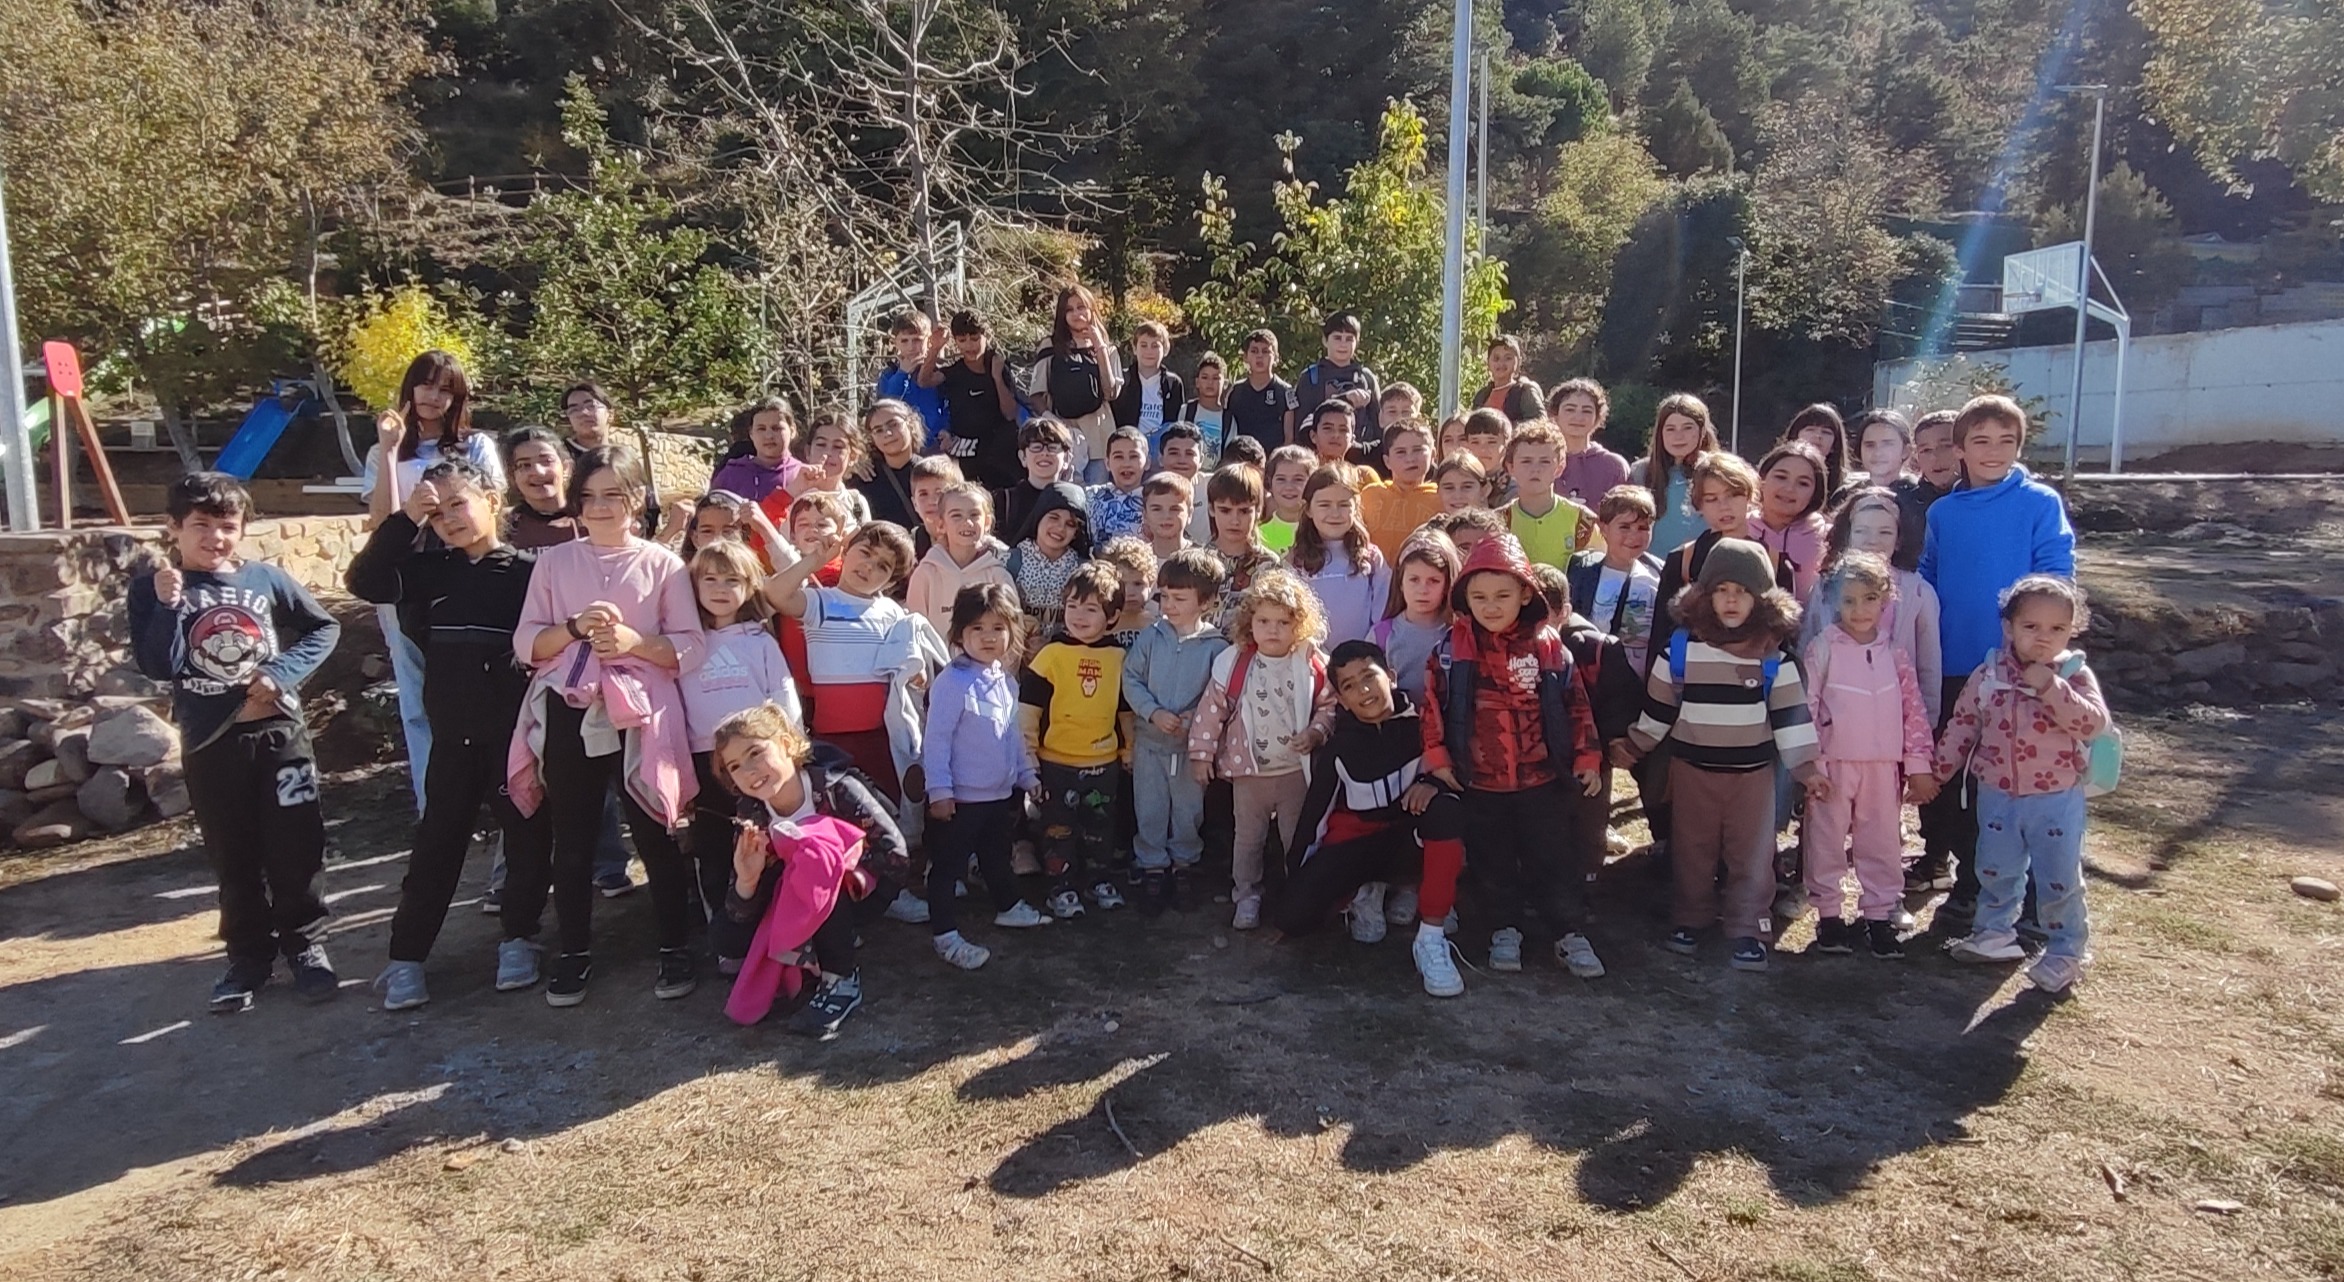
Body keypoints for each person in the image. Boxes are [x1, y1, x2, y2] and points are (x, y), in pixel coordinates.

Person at [130, 472, 341, 1012]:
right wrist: (165, 606)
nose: (215, 538)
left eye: (227, 526)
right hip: (212, 743)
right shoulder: (156, 587)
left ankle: (306, 945)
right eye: (201, 526)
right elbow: (157, 665)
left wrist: (282, 672)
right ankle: (248, 957)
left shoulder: (264, 579)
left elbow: (323, 628)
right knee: (234, 853)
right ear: (173, 527)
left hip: (280, 736)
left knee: (298, 844)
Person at [349, 458, 553, 1010]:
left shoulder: (531, 573)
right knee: (438, 842)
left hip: (513, 737)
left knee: (527, 836)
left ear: (493, 500)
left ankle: (519, 938)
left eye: (459, 504)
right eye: (438, 514)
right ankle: (406, 957)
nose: (451, 520)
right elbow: (364, 581)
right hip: (453, 735)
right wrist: (406, 520)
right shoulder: (430, 571)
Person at [508, 446, 704, 1007]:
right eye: (589, 496)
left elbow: (689, 645)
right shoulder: (554, 563)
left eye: (613, 495)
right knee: (572, 836)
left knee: (655, 831)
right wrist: (573, 629)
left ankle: (673, 945)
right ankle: (573, 950)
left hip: (641, 714)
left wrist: (635, 643)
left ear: (636, 499)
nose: (599, 507)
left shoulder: (663, 565)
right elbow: (527, 642)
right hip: (571, 708)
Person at [1617, 538, 1821, 973]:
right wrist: (1634, 746)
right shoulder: (1680, 652)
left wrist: (1807, 769)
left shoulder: (1774, 659)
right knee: (1692, 850)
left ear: (1763, 600)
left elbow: (1792, 721)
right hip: (1692, 772)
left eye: (1743, 591)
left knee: (1752, 855)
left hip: (1752, 778)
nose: (1731, 600)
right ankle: (1690, 919)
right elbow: (1658, 713)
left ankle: (1748, 927)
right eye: (1721, 590)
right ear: (1703, 596)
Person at [1916, 395, 2076, 929]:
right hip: (1954, 665)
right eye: (1980, 441)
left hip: (2020, 673)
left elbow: (2055, 577)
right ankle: (1970, 884)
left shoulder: (2039, 503)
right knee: (1959, 783)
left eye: (2006, 441)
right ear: (1959, 450)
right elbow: (1929, 578)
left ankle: (2030, 902)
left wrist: (2036, 650)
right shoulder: (1943, 512)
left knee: (2016, 784)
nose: (1993, 451)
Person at [1420, 533, 1605, 978]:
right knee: (1492, 860)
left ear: (1525, 593)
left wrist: (1587, 757)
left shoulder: (1548, 646)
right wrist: (1437, 757)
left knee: (1555, 857)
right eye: (1479, 597)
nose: (1491, 606)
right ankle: (1504, 928)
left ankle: (1568, 931)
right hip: (1480, 781)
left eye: (1502, 595)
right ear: (1464, 599)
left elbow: (1576, 705)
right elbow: (1432, 706)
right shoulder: (1450, 649)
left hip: (1542, 779)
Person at [1917, 576, 2108, 993]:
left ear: (2072, 630)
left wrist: (2051, 688)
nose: (2043, 637)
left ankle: (2066, 951)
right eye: (2031, 626)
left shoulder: (2073, 674)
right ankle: (1994, 933)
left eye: (2057, 628)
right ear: (2008, 627)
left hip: (2056, 799)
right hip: (1997, 793)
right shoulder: (1989, 674)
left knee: (2058, 877)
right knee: (1994, 867)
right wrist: (1936, 774)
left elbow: (2093, 724)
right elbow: (1962, 726)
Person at [1275, 640, 1473, 998]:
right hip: (1359, 847)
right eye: (1350, 686)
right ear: (1341, 699)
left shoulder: (1427, 725)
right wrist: (1298, 878)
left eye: (1369, 677)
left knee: (1445, 809)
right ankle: (1367, 892)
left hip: (1411, 841)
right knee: (1294, 918)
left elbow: (1463, 779)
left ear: (1391, 676)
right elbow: (1314, 818)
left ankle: (1431, 934)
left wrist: (1432, 784)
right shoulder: (1340, 748)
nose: (1364, 691)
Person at [712, 703, 907, 1038]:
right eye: (735, 766)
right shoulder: (752, 811)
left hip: (848, 893)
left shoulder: (836, 788)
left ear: (787, 744)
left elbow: (895, 853)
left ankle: (840, 979)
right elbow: (740, 903)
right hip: (789, 898)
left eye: (755, 753)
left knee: (816, 859)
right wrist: (747, 879)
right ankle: (803, 955)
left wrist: (852, 881)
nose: (749, 770)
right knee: (725, 939)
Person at [363, 350, 504, 814]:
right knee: (416, 693)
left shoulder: (475, 447)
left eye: (446, 389)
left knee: (483, 684)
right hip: (405, 583)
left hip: (468, 576)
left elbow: (493, 510)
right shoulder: (384, 453)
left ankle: (496, 798)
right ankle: (436, 806)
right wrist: (389, 450)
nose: (433, 397)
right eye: (425, 385)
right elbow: (382, 522)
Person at [674, 539, 802, 971]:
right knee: (713, 849)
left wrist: (792, 745)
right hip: (704, 760)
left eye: (732, 580)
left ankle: (782, 927)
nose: (720, 588)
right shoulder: (684, 642)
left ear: (750, 587)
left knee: (768, 844)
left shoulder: (759, 639)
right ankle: (728, 939)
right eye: (709, 579)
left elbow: (782, 694)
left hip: (759, 762)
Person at [1798, 552, 1933, 960]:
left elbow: (1914, 712)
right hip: (1833, 768)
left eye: (1870, 598)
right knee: (1826, 841)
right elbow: (1806, 706)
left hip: (1883, 769)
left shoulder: (1895, 654)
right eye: (1849, 600)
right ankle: (1829, 916)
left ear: (1886, 600)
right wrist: (1811, 764)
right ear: (1834, 601)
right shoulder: (1823, 648)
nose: (1860, 610)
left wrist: (1918, 766)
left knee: (1882, 842)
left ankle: (1878, 916)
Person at [1188, 569, 1335, 930]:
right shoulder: (1235, 662)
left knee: (1296, 838)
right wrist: (1201, 754)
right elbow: (1211, 711)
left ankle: (1297, 893)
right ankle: (1246, 895)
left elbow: (1330, 705)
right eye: (1264, 621)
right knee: (1248, 840)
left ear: (1299, 625)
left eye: (1283, 622)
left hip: (1294, 773)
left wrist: (1316, 732)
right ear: (1249, 622)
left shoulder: (1311, 663)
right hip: (1249, 774)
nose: (1273, 630)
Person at [760, 522, 934, 815]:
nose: (869, 566)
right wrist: (815, 561)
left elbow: (908, 661)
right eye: (865, 552)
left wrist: (916, 673)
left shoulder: (893, 612)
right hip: (831, 739)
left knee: (887, 812)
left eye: (883, 566)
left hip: (881, 738)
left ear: (891, 581)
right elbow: (774, 594)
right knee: (837, 813)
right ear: (847, 550)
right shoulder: (821, 602)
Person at [922, 584, 1051, 968]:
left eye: (998, 628)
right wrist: (939, 790)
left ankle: (1008, 906)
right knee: (947, 867)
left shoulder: (1006, 681)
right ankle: (945, 935)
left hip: (998, 796)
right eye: (977, 628)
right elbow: (936, 739)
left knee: (996, 856)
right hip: (960, 799)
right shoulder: (952, 682)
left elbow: (1012, 736)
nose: (988, 637)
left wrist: (1027, 776)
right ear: (959, 633)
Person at [1020, 561, 1135, 918]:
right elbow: (1028, 710)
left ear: (1112, 616)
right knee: (1058, 831)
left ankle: (1098, 880)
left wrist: (1129, 749)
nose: (1079, 616)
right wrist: (1028, 756)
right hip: (1056, 762)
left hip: (1104, 763)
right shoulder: (1051, 655)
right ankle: (1061, 887)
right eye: (1072, 606)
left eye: (1091, 609)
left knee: (1100, 827)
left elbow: (1125, 710)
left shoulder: (1119, 657)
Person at [1123, 548, 1232, 915]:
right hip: (1150, 743)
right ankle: (1152, 866)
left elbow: (1218, 694)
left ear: (1206, 602)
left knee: (1188, 809)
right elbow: (1131, 678)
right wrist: (1152, 712)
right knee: (1149, 806)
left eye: (1179, 598)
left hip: (1191, 750)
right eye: (1165, 596)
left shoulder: (1216, 647)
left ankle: (1184, 864)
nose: (1169, 605)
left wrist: (1193, 720)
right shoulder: (1151, 637)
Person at [1807, 487, 1942, 724]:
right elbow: (1807, 645)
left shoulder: (1919, 593)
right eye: (1861, 531)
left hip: (1895, 720)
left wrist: (1927, 723)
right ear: (1847, 535)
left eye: (1885, 532)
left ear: (1899, 540)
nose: (1872, 540)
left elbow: (1929, 666)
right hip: (1836, 720)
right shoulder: (1825, 587)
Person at [1288, 464, 1390, 647]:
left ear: (1356, 506)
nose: (1335, 513)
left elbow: (1383, 615)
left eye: (1344, 505)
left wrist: (1365, 652)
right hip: (1309, 658)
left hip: (1360, 657)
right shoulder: (1295, 561)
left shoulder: (1371, 559)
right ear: (1308, 509)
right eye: (1324, 505)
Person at [1026, 284, 1122, 480]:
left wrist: (1100, 348)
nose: (1076, 314)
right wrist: (1053, 423)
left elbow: (1111, 392)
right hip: (1062, 441)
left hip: (1099, 440)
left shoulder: (1108, 349)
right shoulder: (1050, 347)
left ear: (1091, 309)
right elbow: (1035, 395)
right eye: (1069, 309)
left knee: (1095, 494)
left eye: (1081, 307)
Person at [1569, 485, 1664, 678]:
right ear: (1603, 528)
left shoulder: (1659, 574)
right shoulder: (1583, 572)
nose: (1634, 536)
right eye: (1624, 527)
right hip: (1594, 678)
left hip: (1643, 680)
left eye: (1643, 528)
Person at [906, 481, 1015, 638]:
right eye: (956, 516)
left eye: (974, 515)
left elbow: (1011, 634)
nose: (967, 522)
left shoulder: (998, 575)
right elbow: (913, 631)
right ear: (941, 524)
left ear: (987, 522)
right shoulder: (925, 574)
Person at [560, 380, 660, 539]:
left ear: (610, 414)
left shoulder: (623, 459)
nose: (583, 413)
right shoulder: (559, 458)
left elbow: (648, 505)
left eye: (591, 405)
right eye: (574, 409)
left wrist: (638, 526)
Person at [1370, 529, 1459, 704]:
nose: (1423, 590)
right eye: (1414, 580)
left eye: (1434, 581)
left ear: (1447, 585)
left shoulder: (1458, 634)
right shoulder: (1382, 635)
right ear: (1400, 582)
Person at [1501, 420, 1599, 572]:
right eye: (1526, 461)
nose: (1535, 469)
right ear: (1511, 467)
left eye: (1545, 461)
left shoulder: (1583, 521)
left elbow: (1597, 570)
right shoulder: (1499, 522)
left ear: (1559, 468)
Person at [1006, 481, 1091, 642]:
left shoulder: (1082, 570)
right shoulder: (1011, 561)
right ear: (1038, 517)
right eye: (1054, 518)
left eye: (1070, 524)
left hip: (1061, 653)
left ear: (1076, 532)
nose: (1060, 528)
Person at [1634, 393, 1719, 556]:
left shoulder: (1718, 472)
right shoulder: (1641, 473)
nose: (1678, 436)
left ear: (1702, 431)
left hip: (1706, 564)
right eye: (1670, 429)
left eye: (1687, 428)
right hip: (1652, 566)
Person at [1202, 464, 1280, 630]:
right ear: (1211, 509)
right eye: (1225, 510)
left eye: (1244, 511)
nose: (1235, 520)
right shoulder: (1196, 562)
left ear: (1258, 511)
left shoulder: (1269, 565)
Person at [1751, 440, 1831, 598]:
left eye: (1803, 483)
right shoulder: (1738, 529)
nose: (1789, 489)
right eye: (1781, 477)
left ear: (1815, 492)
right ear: (1761, 479)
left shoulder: (1829, 539)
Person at [771, 411, 874, 532]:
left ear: (853, 457)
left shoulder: (857, 504)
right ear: (808, 452)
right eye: (821, 444)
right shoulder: (790, 499)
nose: (828, 453)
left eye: (838, 446)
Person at [1294, 311, 1383, 447]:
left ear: (1357, 342)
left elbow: (1379, 423)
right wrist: (1346, 399)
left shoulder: (1366, 377)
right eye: (1337, 338)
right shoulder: (1310, 377)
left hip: (1360, 452)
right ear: (1325, 340)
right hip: (1321, 452)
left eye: (1349, 339)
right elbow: (1301, 425)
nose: (1343, 344)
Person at [1359, 419, 1440, 561]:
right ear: (1387, 461)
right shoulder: (1370, 495)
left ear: (1433, 455)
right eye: (1401, 452)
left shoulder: (1440, 498)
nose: (1410, 459)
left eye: (1418, 450)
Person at [1547, 379, 1631, 506]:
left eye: (1586, 411)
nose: (1578, 417)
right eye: (1570, 409)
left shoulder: (1613, 466)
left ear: (1597, 418)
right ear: (1555, 414)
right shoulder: (1537, 460)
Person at [1849, 408, 1927, 543]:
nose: (1878, 453)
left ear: (1906, 451)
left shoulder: (1921, 497)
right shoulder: (1847, 495)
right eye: (1870, 445)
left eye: (1887, 444)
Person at [876, 309, 950, 449]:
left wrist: (947, 429)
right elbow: (885, 408)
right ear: (895, 343)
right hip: (902, 446)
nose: (911, 347)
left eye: (917, 340)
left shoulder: (938, 372)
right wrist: (902, 374)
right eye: (904, 341)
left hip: (934, 444)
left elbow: (949, 406)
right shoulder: (889, 374)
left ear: (929, 341)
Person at [708, 396, 803, 505]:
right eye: (761, 429)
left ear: (792, 431)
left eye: (776, 428)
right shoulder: (731, 475)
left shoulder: (802, 475)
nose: (768, 435)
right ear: (751, 433)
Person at [501, 427, 583, 550]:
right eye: (524, 465)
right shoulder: (505, 526)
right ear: (512, 476)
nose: (538, 472)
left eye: (547, 461)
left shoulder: (590, 518)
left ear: (566, 468)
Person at [996, 416, 1077, 541]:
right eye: (1036, 447)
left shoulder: (1074, 501)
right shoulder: (1004, 500)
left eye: (1052, 447)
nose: (1044, 453)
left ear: (1067, 458)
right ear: (1023, 457)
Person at [851, 399, 926, 531]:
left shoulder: (932, 472)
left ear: (910, 423)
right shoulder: (864, 478)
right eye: (878, 430)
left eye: (893, 425)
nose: (887, 433)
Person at [1113, 319, 1185, 454]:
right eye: (1144, 345)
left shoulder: (1173, 383)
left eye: (1155, 346)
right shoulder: (1122, 379)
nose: (1149, 351)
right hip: (1129, 448)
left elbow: (1176, 421)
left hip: (1161, 450)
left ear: (1165, 349)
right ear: (1135, 348)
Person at [1226, 328, 1299, 453]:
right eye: (1254, 351)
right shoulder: (1235, 391)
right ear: (1245, 357)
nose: (1259, 356)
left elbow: (1289, 438)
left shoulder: (1285, 391)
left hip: (1273, 460)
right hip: (1240, 458)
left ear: (1276, 358)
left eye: (1265, 351)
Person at [1086, 425, 1151, 542]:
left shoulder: (1154, 500)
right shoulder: (1091, 496)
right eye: (1118, 457)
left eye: (1134, 456)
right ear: (1107, 463)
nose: (1126, 464)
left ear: (1147, 462)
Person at [1156, 421, 1215, 544]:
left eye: (1189, 453)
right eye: (1174, 453)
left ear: (1201, 460)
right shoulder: (1149, 493)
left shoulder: (1215, 486)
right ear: (1160, 458)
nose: (1181, 460)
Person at [1095, 536, 1160, 646]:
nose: (1130, 592)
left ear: (1151, 584)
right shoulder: (1100, 624)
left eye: (1138, 584)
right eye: (1121, 584)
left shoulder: (1156, 624)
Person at [1781, 403, 1853, 499]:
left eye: (1826, 432)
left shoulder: (1846, 488)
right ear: (1795, 436)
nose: (1818, 436)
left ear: (1834, 445)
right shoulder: (1774, 471)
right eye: (1810, 429)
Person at [1471, 335, 1543, 425]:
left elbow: (1540, 424)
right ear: (1488, 362)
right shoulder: (1481, 396)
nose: (1501, 363)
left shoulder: (1524, 392)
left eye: (1508, 358)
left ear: (1518, 362)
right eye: (1496, 358)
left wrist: (1507, 428)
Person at [1259, 446, 1314, 553]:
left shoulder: (1322, 530)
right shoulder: (1258, 535)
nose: (1289, 487)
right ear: (1270, 483)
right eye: (1281, 479)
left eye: (1298, 479)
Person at [1177, 351, 1230, 461]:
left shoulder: (1229, 420)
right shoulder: (1186, 411)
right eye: (1205, 377)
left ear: (1225, 383)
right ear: (1197, 382)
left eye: (1216, 378)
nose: (1210, 383)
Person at [1459, 410, 1514, 507]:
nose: (1483, 449)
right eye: (1475, 442)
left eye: (1491, 442)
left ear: (1507, 445)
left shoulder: (1514, 489)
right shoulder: (1457, 481)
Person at [1910, 409, 1962, 507]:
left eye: (1945, 446)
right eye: (1926, 450)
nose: (1934, 457)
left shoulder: (1986, 496)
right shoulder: (1907, 503)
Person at [1140, 473, 1195, 562]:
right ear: (1145, 515)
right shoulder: (1136, 560)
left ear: (1189, 514)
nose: (1166, 516)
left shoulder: (1202, 560)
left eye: (1175, 509)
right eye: (1157, 509)